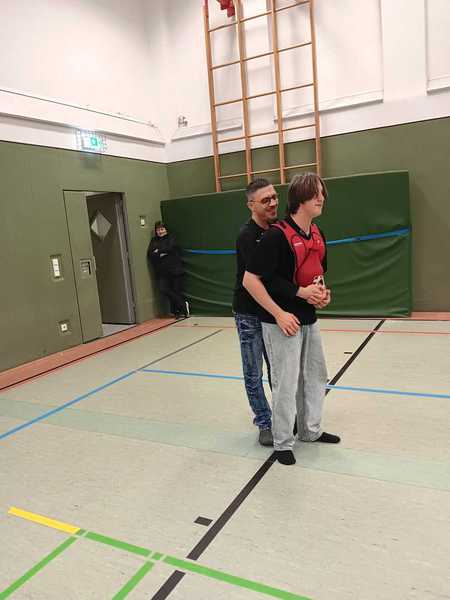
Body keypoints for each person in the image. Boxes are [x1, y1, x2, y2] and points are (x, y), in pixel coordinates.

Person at [243, 172, 340, 465]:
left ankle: (310, 430)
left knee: (315, 375)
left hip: (309, 319)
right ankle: (283, 442)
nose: (321, 198)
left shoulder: (318, 233)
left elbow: (317, 276)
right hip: (281, 322)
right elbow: (251, 280)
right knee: (285, 382)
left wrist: (322, 295)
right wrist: (280, 313)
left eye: (322, 193)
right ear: (301, 198)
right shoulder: (275, 236)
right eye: (316, 194)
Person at [233, 179, 279, 447]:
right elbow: (259, 279)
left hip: (272, 313)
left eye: (274, 197)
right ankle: (264, 422)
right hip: (249, 314)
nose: (273, 203)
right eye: (265, 200)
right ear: (251, 205)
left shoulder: (278, 229)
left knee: (279, 369)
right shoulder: (247, 237)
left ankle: (283, 415)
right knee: (253, 372)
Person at [147, 221, 189, 319]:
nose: (160, 231)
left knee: (176, 290)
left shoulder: (171, 238)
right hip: (162, 271)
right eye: (158, 230)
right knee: (164, 289)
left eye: (162, 229)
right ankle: (183, 304)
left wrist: (158, 251)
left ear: (166, 230)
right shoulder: (154, 240)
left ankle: (179, 312)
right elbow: (150, 253)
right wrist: (161, 253)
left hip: (175, 270)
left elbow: (170, 248)